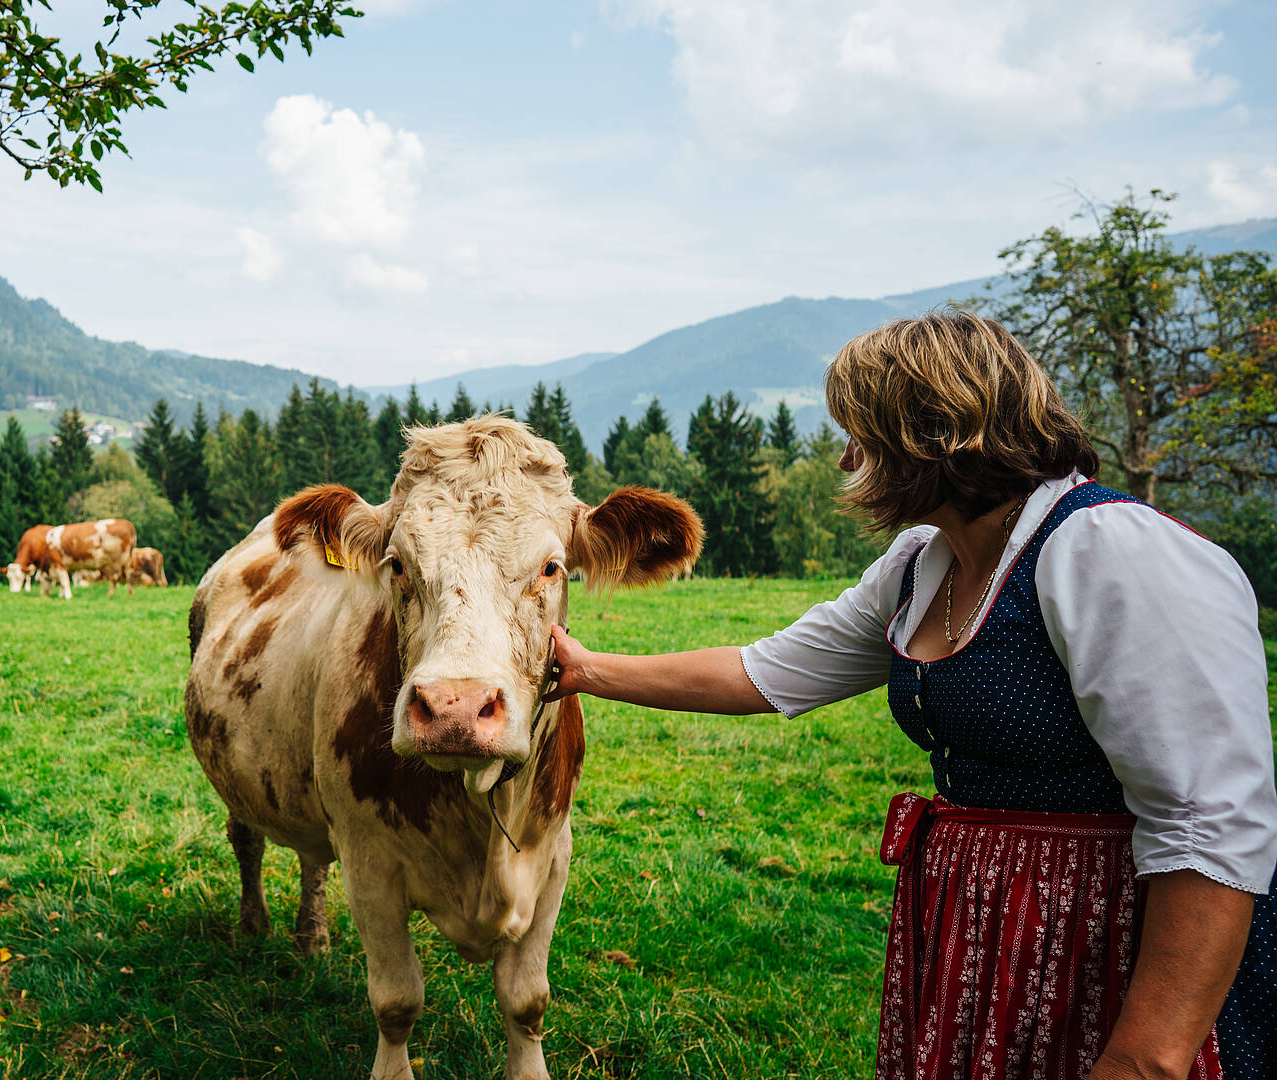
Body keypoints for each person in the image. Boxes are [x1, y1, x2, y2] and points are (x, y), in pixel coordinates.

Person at [545, 310, 1275, 1080]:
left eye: (861, 433)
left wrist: (1146, 1057)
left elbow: (1208, 821)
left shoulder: (1110, 551)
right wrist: (587, 670)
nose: (845, 457)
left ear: (931, 435)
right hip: (983, 929)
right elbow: (766, 672)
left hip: (1109, 939)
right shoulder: (923, 564)